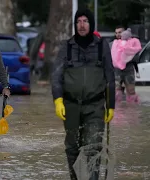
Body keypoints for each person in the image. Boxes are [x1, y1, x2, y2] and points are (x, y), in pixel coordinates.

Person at [51, 9, 115, 180]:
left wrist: (111, 105)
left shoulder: (102, 46)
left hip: (95, 106)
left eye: (85, 21)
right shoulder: (67, 47)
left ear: (91, 24)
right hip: (71, 105)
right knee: (72, 146)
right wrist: (58, 100)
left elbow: (110, 77)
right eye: (78, 21)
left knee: (93, 145)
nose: (82, 25)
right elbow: (56, 75)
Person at [111, 28, 141, 103]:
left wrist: (126, 55)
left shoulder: (133, 43)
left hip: (129, 69)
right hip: (117, 70)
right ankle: (118, 112)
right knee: (117, 92)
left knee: (131, 92)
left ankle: (132, 111)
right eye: (116, 33)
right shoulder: (112, 44)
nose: (118, 34)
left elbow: (136, 58)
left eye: (120, 32)